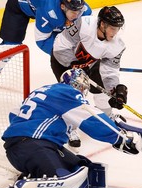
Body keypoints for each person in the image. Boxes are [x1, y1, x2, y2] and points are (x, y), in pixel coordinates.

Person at [0, 68, 142, 188]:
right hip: (33, 146)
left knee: (81, 166)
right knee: (60, 178)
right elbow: (90, 120)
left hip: (27, 147)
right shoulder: (68, 92)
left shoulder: (45, 91)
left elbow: (14, 116)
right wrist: (120, 139)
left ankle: (32, 175)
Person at [51, 6, 127, 148]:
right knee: (73, 95)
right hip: (63, 61)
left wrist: (114, 90)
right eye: (112, 28)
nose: (115, 33)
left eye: (117, 29)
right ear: (102, 24)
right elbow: (61, 46)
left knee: (103, 92)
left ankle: (106, 118)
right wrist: (75, 66)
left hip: (89, 64)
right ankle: (70, 129)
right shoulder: (84, 25)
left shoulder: (117, 45)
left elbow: (109, 71)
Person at [0, 0, 92, 91]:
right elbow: (42, 40)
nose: (77, 14)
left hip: (42, 8)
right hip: (21, 7)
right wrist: (65, 56)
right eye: (73, 11)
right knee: (11, 46)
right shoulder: (49, 11)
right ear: (62, 6)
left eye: (79, 11)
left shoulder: (84, 11)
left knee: (68, 42)